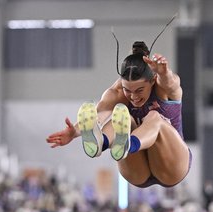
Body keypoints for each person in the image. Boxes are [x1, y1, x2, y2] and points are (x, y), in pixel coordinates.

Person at [46, 31, 191, 188]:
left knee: (154, 117)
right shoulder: (117, 92)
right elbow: (98, 115)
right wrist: (74, 132)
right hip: (137, 173)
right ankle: (101, 143)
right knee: (122, 116)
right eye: (127, 90)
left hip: (172, 166)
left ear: (152, 80)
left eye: (140, 90)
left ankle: (128, 144)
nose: (133, 96)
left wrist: (164, 72)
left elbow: (171, 83)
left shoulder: (163, 86)